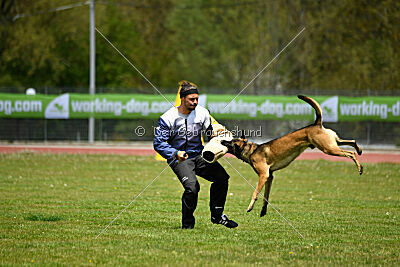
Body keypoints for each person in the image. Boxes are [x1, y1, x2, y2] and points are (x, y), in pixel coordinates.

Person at [153, 80, 238, 229]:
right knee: (192, 187)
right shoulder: (168, 118)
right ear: (182, 98)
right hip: (180, 159)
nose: (195, 102)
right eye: (192, 99)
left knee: (222, 178)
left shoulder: (202, 112)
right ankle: (187, 225)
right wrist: (175, 153)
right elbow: (159, 143)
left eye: (197, 99)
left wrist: (218, 135)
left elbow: (210, 132)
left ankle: (218, 216)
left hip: (199, 155)